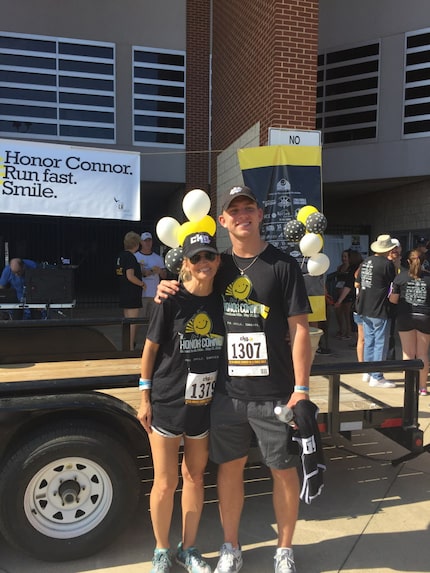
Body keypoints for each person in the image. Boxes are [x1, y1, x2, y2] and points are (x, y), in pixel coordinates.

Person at [157, 185, 313, 573]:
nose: (242, 215)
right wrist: (165, 285)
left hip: (274, 391)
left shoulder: (282, 266)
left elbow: (301, 331)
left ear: (260, 214)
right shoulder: (217, 263)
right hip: (226, 393)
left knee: (283, 469)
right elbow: (189, 282)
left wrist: (302, 389)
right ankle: (231, 546)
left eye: (249, 208)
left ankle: (284, 549)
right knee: (230, 469)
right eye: (234, 210)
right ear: (222, 220)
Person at [137, 231, 224, 573]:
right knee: (165, 481)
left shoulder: (221, 300)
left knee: (195, 477)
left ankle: (188, 548)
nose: (204, 263)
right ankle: (161, 550)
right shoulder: (170, 299)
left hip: (202, 405)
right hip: (168, 401)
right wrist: (144, 397)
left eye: (210, 256)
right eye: (197, 257)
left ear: (218, 261)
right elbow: (149, 351)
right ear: (186, 263)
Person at [356, 234, 398, 388]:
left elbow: (359, 281)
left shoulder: (366, 261)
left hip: (365, 306)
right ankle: (377, 376)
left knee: (369, 341)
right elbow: (393, 284)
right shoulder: (387, 264)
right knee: (380, 342)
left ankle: (367, 372)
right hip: (380, 307)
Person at [389, 249, 430, 396]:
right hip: (425, 316)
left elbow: (393, 299)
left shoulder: (400, 277)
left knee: (408, 353)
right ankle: (422, 387)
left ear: (408, 261)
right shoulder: (428, 277)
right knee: (422, 354)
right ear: (424, 261)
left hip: (405, 316)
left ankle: (409, 386)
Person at [115, 231, 146, 350]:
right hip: (132, 293)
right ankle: (130, 346)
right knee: (133, 322)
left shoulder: (121, 256)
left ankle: (126, 344)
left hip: (123, 291)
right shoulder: (131, 257)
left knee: (127, 321)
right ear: (136, 244)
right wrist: (142, 283)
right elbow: (130, 276)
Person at [135, 232, 167, 320]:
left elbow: (164, 276)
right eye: (145, 241)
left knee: (153, 320)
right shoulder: (135, 256)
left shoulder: (158, 258)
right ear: (141, 242)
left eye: (149, 240)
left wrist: (159, 271)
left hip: (154, 294)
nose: (148, 243)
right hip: (141, 294)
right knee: (138, 320)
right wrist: (144, 272)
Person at [333, 250, 354, 340]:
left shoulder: (352, 268)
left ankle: (348, 332)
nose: (344, 259)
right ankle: (341, 330)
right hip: (338, 291)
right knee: (338, 313)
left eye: (345, 257)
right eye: (343, 256)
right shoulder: (339, 267)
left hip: (348, 293)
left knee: (347, 313)